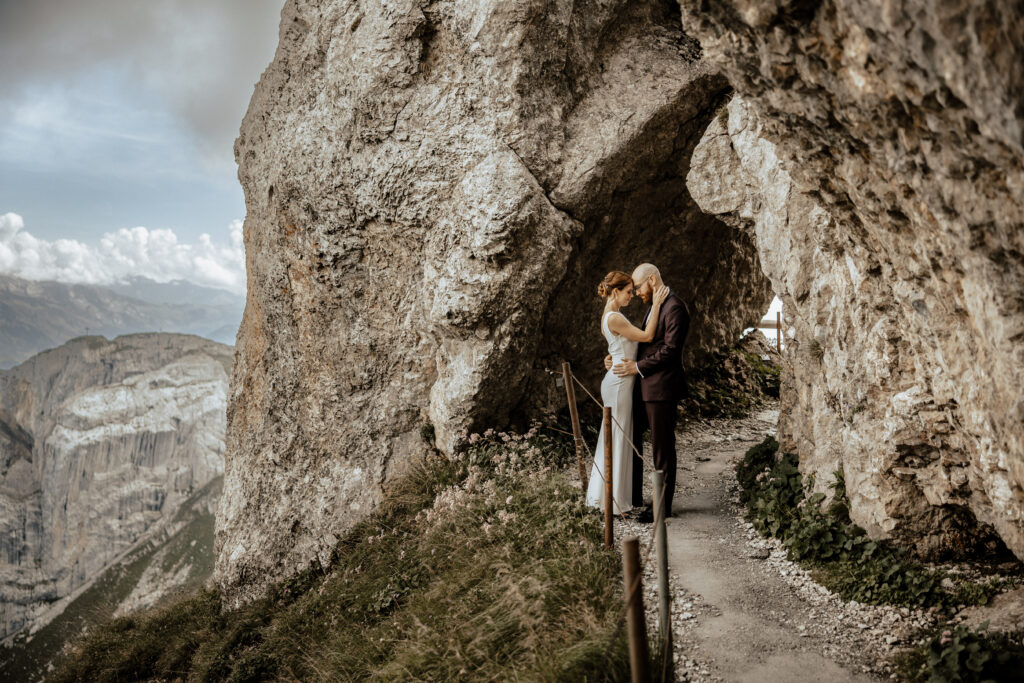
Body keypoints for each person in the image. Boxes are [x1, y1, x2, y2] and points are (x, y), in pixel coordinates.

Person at [607, 263, 690, 522]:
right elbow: (642, 341)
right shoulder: (657, 307)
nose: (637, 293)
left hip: (661, 389)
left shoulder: (675, 307)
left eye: (639, 287)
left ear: (651, 281)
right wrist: (616, 357)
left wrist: (637, 366)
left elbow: (670, 350)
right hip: (644, 387)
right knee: (634, 440)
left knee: (662, 448)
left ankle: (661, 507)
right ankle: (632, 497)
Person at [586, 270, 669, 514]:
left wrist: (610, 358)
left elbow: (618, 346)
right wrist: (656, 304)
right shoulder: (614, 317)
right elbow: (647, 336)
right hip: (620, 383)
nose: (632, 296)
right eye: (628, 292)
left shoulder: (612, 315)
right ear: (615, 292)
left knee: (617, 436)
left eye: (633, 291)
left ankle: (609, 498)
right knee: (618, 437)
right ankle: (611, 502)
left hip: (618, 378)